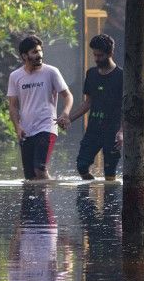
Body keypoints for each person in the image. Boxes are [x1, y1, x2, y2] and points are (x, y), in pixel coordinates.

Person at [7, 35, 73, 180]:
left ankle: (46, 202)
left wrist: (65, 113)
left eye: (40, 51)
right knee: (30, 177)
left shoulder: (51, 72)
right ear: (24, 56)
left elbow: (68, 96)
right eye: (34, 52)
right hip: (26, 130)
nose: (39, 55)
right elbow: (13, 106)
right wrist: (17, 127)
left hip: (46, 127)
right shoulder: (15, 76)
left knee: (40, 168)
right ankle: (38, 200)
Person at [68, 34, 123, 181]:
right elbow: (88, 103)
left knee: (110, 172)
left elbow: (126, 107)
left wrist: (122, 131)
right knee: (81, 165)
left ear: (110, 53)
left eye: (100, 55)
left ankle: (110, 199)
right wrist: (69, 119)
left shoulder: (121, 76)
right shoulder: (91, 74)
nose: (97, 59)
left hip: (113, 130)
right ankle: (89, 190)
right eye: (95, 55)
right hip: (93, 129)